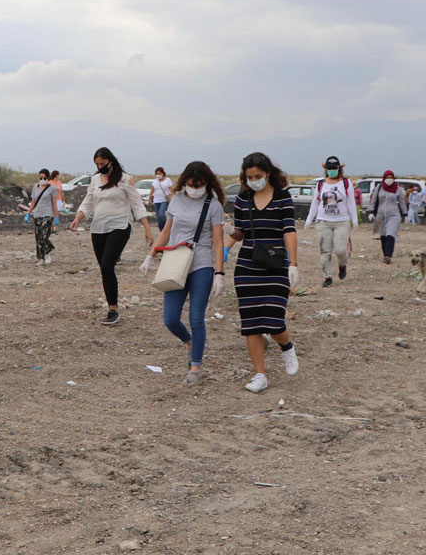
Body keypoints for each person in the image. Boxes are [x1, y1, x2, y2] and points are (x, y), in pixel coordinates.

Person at [140, 161, 225, 385]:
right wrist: (151, 255)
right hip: (175, 263)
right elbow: (166, 232)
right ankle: (189, 342)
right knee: (170, 319)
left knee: (196, 318)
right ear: (184, 182)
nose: (194, 189)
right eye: (190, 184)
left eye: (199, 185)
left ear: (207, 183)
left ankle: (195, 367)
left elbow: (218, 241)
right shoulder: (176, 200)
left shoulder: (213, 206)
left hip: (202, 264)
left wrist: (219, 272)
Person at [225, 152, 300, 393]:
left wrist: (293, 264)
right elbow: (240, 232)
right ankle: (260, 374)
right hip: (247, 265)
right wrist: (224, 249)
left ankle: (286, 346)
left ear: (267, 173)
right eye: (250, 177)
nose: (254, 180)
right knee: (252, 323)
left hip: (276, 263)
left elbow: (289, 230)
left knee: (275, 320)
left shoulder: (282, 197)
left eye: (258, 176)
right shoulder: (243, 198)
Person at [69, 147, 153, 326]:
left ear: (111, 161)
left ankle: (113, 309)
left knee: (108, 264)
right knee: (104, 269)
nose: (100, 167)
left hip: (120, 226)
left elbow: (137, 205)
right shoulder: (95, 180)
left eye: (102, 164)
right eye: (97, 165)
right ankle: (112, 306)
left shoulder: (125, 179)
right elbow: (88, 201)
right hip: (98, 227)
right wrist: (78, 217)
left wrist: (147, 228)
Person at [304, 155, 357, 287]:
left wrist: (354, 220)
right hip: (323, 221)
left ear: (339, 168)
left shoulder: (345, 183)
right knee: (325, 251)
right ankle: (327, 276)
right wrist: (309, 220)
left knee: (340, 250)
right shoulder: (321, 184)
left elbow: (351, 202)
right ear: (325, 169)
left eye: (334, 168)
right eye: (329, 168)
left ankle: (342, 265)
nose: (332, 170)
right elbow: (315, 203)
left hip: (342, 221)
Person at [369, 170, 408, 264]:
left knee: (390, 234)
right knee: (383, 235)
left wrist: (405, 214)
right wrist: (371, 212)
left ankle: (388, 255)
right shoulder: (379, 187)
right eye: (387, 178)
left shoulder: (398, 189)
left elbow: (402, 202)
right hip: (381, 215)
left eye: (391, 178)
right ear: (384, 178)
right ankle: (385, 254)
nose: (389, 179)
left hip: (394, 214)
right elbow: (373, 200)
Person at [28, 168, 58, 265]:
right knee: (38, 237)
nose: (42, 179)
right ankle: (41, 258)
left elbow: (54, 204)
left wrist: (56, 217)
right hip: (37, 214)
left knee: (44, 235)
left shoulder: (52, 188)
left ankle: (48, 252)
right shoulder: (35, 188)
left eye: (44, 177)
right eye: (41, 177)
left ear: (48, 177)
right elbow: (33, 202)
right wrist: (28, 213)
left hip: (48, 214)